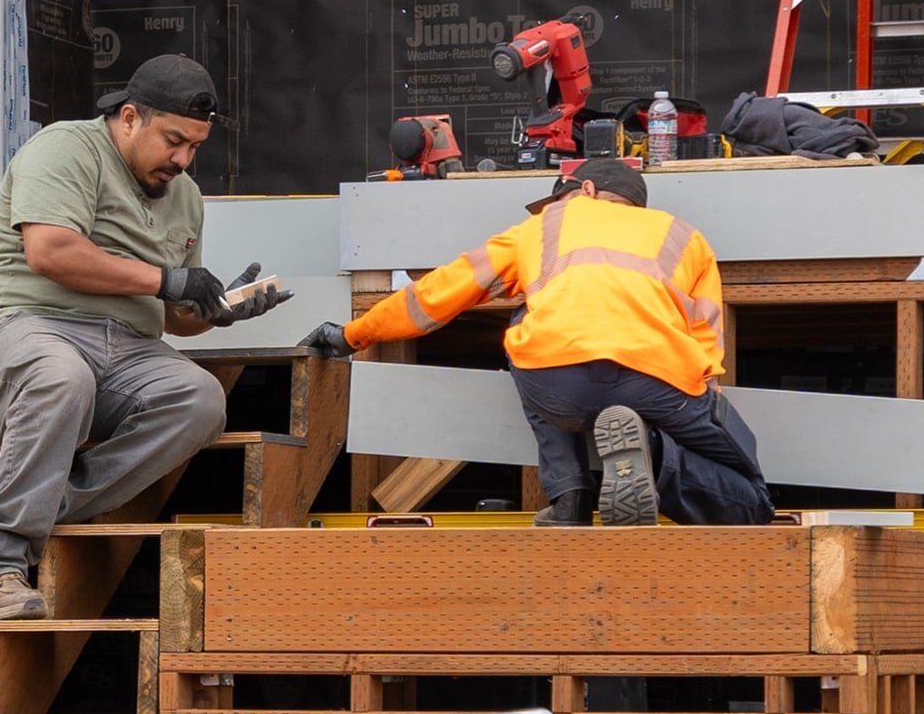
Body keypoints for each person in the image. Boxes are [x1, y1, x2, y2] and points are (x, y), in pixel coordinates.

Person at [0, 56, 288, 618]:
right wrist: (168, 278)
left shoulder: (185, 197)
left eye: (195, 147)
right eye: (174, 140)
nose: (183, 160)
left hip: (128, 349)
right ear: (130, 117)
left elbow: (176, 316)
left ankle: (14, 500)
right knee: (62, 376)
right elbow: (50, 252)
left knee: (200, 400)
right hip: (22, 332)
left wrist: (216, 309)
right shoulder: (66, 148)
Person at [300, 157, 772, 528]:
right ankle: (652, 451)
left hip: (557, 387)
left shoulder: (539, 228)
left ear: (584, 190)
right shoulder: (684, 237)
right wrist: (707, 381)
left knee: (527, 328)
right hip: (656, 382)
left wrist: (352, 335)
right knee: (753, 498)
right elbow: (707, 327)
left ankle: (570, 498)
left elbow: (440, 293)